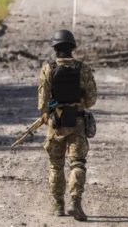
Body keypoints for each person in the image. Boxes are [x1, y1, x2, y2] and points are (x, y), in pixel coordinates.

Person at [38, 29, 97, 221]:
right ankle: (75, 203)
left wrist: (52, 109)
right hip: (78, 123)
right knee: (77, 164)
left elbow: (42, 104)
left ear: (55, 49)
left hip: (55, 125)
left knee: (56, 166)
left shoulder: (48, 68)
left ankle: (58, 205)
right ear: (72, 47)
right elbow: (91, 100)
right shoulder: (83, 68)